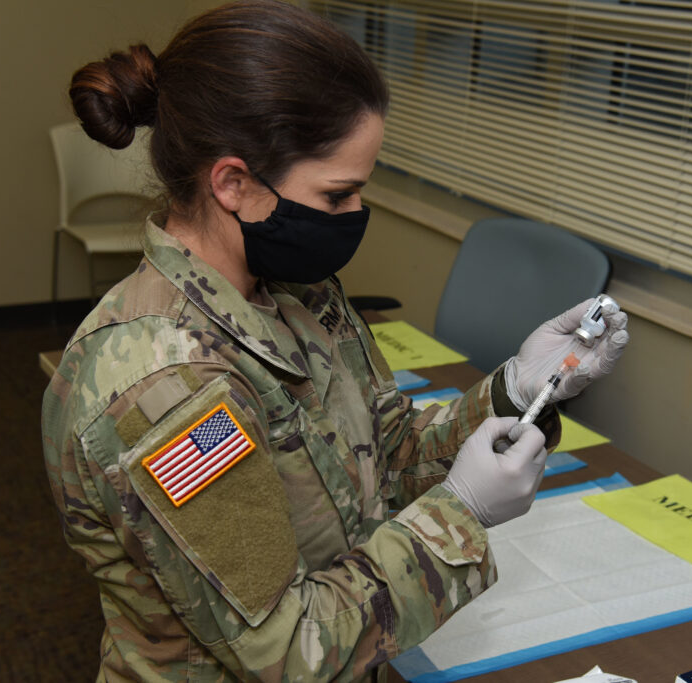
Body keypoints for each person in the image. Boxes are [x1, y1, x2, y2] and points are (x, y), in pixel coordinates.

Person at [41, 1, 629, 681]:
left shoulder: (299, 292)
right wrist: (460, 514)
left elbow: (389, 462)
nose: (355, 218)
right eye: (336, 196)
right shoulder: (166, 389)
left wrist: (520, 388)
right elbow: (288, 653)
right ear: (233, 183)